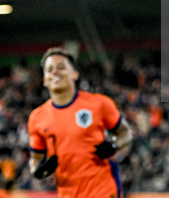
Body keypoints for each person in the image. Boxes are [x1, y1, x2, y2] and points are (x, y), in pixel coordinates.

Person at [28, 47, 133, 198]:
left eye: (61, 67)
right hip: (68, 193)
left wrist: (114, 145)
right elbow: (35, 159)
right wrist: (37, 171)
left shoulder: (99, 104)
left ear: (74, 74)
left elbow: (125, 132)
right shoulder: (37, 118)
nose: (55, 72)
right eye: (49, 69)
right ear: (44, 79)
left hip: (102, 190)